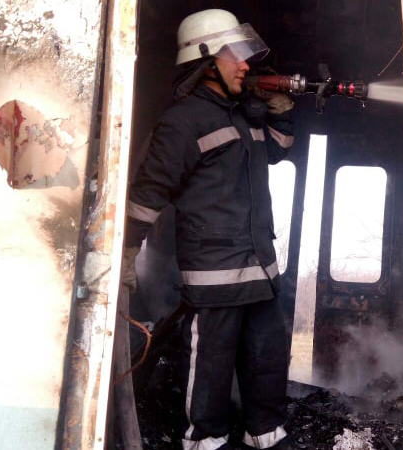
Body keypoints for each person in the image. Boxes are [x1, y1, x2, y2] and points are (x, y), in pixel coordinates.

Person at [121, 9, 296, 450]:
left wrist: (279, 112)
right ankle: (205, 442)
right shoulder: (182, 122)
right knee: (211, 371)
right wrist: (126, 250)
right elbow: (149, 192)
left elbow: (277, 151)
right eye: (234, 55)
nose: (245, 65)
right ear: (205, 61)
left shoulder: (243, 115)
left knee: (267, 361)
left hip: (261, 271)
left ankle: (267, 436)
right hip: (214, 275)